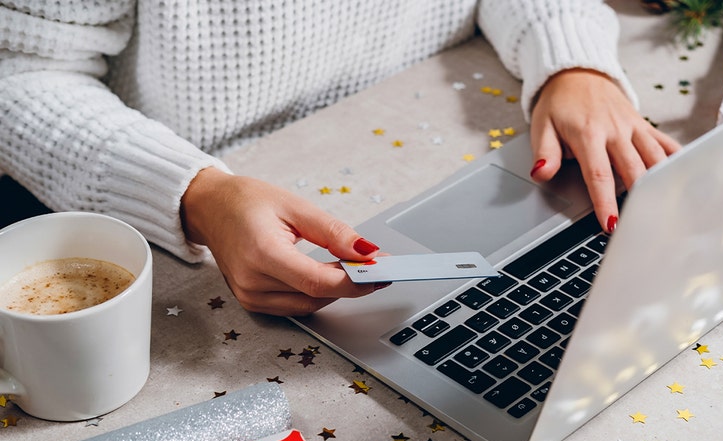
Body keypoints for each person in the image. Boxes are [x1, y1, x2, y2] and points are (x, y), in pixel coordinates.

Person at [0, 0, 679, 316]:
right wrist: (197, 195)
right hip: (199, 230)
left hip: (445, 137)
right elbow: (18, 74)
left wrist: (570, 61)